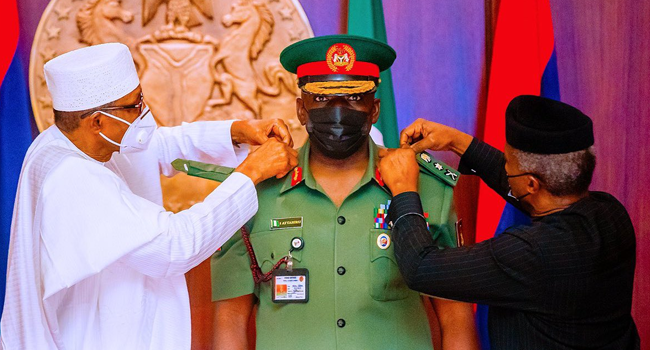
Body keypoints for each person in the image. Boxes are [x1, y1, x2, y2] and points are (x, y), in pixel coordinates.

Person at [0, 43, 298, 349]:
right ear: (97, 122)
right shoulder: (72, 179)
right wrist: (251, 173)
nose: (143, 112)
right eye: (133, 105)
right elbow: (174, 246)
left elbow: (157, 146)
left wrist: (237, 130)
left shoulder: (73, 141)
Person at [210, 35, 479, 350]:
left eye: (353, 99)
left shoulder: (426, 188)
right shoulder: (253, 193)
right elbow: (230, 320)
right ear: (301, 109)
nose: (338, 112)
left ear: (374, 109)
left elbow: (455, 316)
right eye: (322, 99)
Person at [378, 95, 639, 349]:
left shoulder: (530, 253)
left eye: (509, 163)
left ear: (531, 184)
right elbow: (526, 190)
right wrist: (458, 143)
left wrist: (403, 189)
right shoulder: (611, 213)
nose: (505, 169)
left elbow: (421, 268)